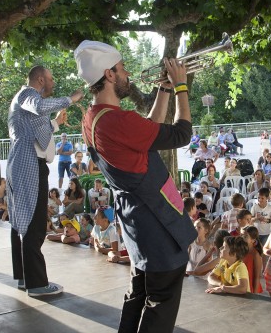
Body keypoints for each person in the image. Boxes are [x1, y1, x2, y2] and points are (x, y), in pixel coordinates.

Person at [76, 39, 196, 332]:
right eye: (122, 68)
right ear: (109, 75)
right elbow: (182, 134)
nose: (128, 73)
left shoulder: (93, 117)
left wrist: (165, 88)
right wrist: (181, 86)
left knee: (139, 293)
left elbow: (147, 130)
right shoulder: (119, 120)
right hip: (155, 219)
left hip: (133, 218)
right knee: (161, 299)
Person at [6, 65, 83, 296]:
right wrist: (70, 99)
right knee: (33, 224)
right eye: (51, 78)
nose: (53, 82)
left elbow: (39, 128)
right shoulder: (27, 95)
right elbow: (39, 107)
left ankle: (24, 277)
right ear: (40, 80)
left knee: (22, 221)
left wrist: (57, 122)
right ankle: (37, 284)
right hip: (29, 165)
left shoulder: (25, 103)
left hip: (24, 164)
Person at [240, 225, 263, 293]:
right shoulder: (240, 250)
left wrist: (254, 294)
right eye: (241, 235)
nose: (242, 238)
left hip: (251, 288)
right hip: (241, 286)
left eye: (245, 236)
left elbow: (257, 277)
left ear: (253, 240)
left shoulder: (255, 255)